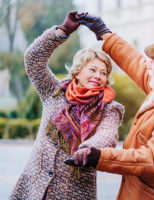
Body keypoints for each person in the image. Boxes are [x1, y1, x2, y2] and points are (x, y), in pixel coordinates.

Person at [66, 14, 154, 200]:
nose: (147, 64)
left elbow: (153, 160)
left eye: (153, 62)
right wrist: (104, 33)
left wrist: (100, 157)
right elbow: (137, 64)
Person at [10, 11, 124, 200]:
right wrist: (62, 31)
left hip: (73, 192)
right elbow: (33, 60)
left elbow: (108, 134)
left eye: (103, 73)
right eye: (93, 69)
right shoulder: (54, 92)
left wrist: (88, 148)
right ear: (77, 72)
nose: (98, 76)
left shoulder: (110, 107)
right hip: (34, 187)